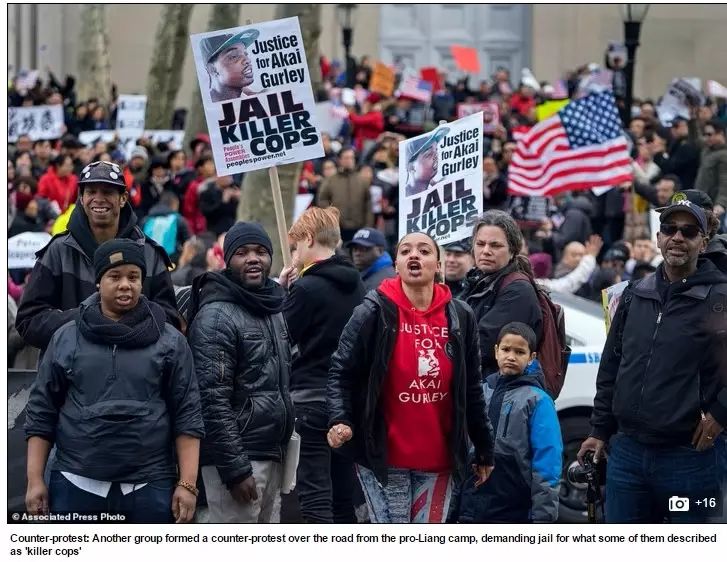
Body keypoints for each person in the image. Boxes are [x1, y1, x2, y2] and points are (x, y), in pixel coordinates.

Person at [24, 239, 204, 523]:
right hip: (75, 482)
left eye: (133, 277)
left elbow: (188, 413)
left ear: (143, 282)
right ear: (98, 282)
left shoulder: (169, 340)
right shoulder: (66, 337)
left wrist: (187, 483)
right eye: (114, 276)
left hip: (150, 486)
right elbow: (41, 412)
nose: (125, 285)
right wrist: (35, 480)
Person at [327, 231, 495, 523]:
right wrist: (339, 419)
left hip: (440, 458)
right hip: (382, 455)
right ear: (396, 265)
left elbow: (471, 389)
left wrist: (484, 449)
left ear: (438, 265)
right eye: (405, 251)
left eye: (424, 251)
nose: (414, 255)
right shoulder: (373, 310)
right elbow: (341, 370)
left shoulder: (460, 315)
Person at [578, 198, 727, 523]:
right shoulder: (632, 294)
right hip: (628, 455)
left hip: (691, 457)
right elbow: (612, 366)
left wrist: (720, 414)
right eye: (669, 229)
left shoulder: (721, 297)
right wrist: (600, 429)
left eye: (688, 231)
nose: (677, 237)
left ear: (703, 242)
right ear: (658, 238)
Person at [187, 222, 294, 523]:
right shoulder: (216, 315)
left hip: (271, 453)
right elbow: (211, 400)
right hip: (238, 461)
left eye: (260, 251)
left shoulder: (271, 306)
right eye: (242, 252)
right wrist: (235, 469)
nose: (253, 259)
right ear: (227, 259)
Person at [16, 160, 179, 353]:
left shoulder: (150, 253)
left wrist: (124, 325)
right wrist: (86, 320)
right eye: (91, 192)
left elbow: (170, 321)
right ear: (81, 198)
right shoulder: (58, 251)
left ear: (123, 198)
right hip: (70, 375)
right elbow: (29, 320)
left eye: (108, 192)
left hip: (136, 376)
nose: (98, 199)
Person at [277, 207, 366, 523]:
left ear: (310, 239)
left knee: (314, 497)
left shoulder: (306, 287)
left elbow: (280, 338)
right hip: (347, 403)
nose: (294, 255)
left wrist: (281, 292)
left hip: (310, 400)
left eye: (296, 247)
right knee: (343, 497)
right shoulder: (357, 284)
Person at [455, 322, 562, 523]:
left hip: (514, 506)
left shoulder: (537, 400)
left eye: (520, 352)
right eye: (505, 349)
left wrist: (543, 518)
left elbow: (548, 461)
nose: (511, 356)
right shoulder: (480, 390)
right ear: (496, 352)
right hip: (471, 502)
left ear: (532, 358)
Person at [462, 210, 543, 377]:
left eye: (495, 245)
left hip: (499, 392)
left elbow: (482, 345)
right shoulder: (477, 282)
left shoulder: (518, 291)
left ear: (512, 250)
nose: (485, 251)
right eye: (480, 244)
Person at [317, 148, 374, 242]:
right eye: (346, 158)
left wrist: (368, 226)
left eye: (352, 158)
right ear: (340, 160)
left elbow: (368, 204)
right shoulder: (330, 180)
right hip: (337, 228)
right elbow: (322, 200)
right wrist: (331, 219)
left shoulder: (362, 180)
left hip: (359, 228)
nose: (349, 161)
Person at [201, 29, 260, 102]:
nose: (247, 60)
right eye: (234, 56)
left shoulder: (255, 99)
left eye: (245, 54)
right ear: (212, 69)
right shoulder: (208, 108)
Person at [142, 191, 191, 264]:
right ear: (174, 204)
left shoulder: (146, 220)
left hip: (148, 262)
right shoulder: (178, 220)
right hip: (171, 263)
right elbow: (188, 243)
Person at [695, 119, 727, 219]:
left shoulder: (724, 155)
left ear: (720, 133)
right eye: (705, 134)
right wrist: (692, 120)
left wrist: (720, 204)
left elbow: (725, 181)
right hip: (701, 203)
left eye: (709, 134)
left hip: (713, 207)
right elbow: (695, 140)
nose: (706, 138)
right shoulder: (708, 150)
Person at [346, 227, 396, 291]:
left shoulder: (385, 280)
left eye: (363, 249)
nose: (357, 253)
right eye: (355, 249)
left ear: (380, 251)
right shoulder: (365, 272)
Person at [403, 127, 449, 197]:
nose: (436, 156)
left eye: (436, 150)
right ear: (411, 167)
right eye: (429, 154)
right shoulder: (402, 199)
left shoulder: (440, 190)